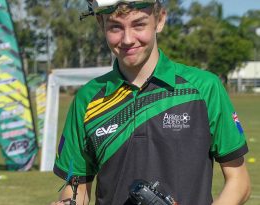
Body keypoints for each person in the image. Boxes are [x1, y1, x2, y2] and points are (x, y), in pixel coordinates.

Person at [51, 0, 251, 204]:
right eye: (115, 27)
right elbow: (76, 189)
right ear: (100, 24)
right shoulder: (87, 99)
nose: (128, 39)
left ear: (160, 20)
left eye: (139, 25)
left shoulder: (205, 88)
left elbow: (239, 181)